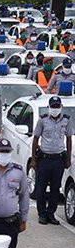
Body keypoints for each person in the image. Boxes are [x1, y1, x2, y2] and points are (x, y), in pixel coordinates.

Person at [32, 96, 73, 224]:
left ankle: (51, 213)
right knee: (41, 187)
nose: (55, 109)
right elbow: (35, 139)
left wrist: (67, 159)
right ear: (49, 107)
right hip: (44, 159)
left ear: (60, 107)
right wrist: (33, 159)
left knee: (56, 188)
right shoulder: (43, 120)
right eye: (53, 106)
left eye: (57, 106)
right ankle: (42, 214)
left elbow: (69, 139)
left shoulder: (66, 121)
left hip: (58, 160)